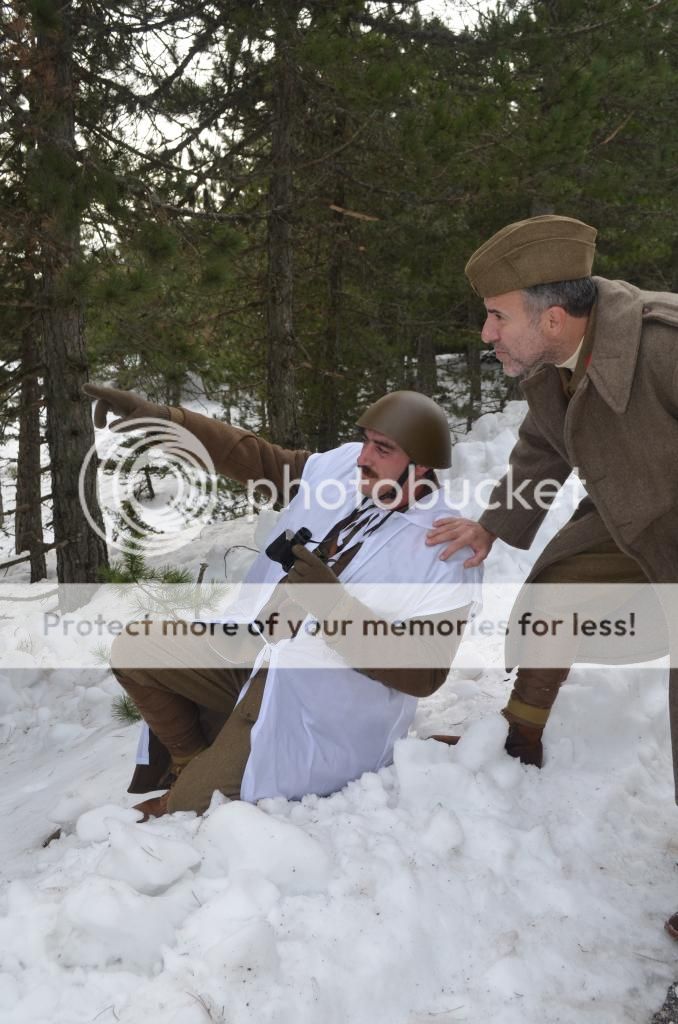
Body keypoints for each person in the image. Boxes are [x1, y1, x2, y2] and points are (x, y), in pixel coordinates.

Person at [424, 213, 678, 933]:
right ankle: (521, 734)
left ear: (556, 317)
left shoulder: (663, 345)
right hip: (642, 520)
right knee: (557, 590)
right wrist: (491, 525)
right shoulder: (552, 367)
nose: (485, 334)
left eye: (497, 316)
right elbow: (543, 449)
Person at [84, 384, 480, 818]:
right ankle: (190, 761)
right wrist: (168, 421)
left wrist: (334, 607)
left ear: (420, 466)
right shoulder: (345, 470)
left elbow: (425, 672)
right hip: (252, 655)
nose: (364, 457)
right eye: (366, 441)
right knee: (137, 648)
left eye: (382, 448)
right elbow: (256, 458)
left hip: (323, 706)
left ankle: (192, 786)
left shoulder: (443, 546)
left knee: (190, 807)